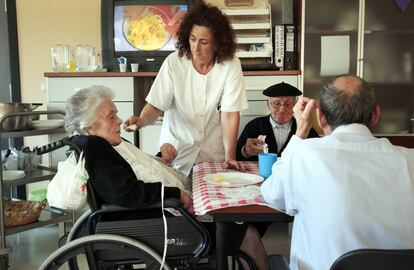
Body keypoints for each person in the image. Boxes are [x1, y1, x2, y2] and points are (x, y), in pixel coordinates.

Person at [65, 85, 269, 270]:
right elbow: (126, 192)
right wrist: (175, 194)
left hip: (148, 218)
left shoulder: (100, 144)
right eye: (111, 116)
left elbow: (127, 174)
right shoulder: (95, 147)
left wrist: (160, 159)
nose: (119, 120)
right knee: (247, 233)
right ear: (89, 127)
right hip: (148, 224)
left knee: (231, 220)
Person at [261, 74, 414, 270]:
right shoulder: (410, 159)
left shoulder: (305, 155)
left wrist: (299, 134)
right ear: (376, 115)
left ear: (321, 116)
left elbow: (271, 193)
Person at [124, 1, 248, 176]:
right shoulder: (174, 62)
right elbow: (156, 104)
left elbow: (230, 113)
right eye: (192, 39)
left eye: (204, 42)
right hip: (178, 151)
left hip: (214, 153)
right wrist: (141, 120)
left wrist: (230, 157)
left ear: (218, 43)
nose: (196, 48)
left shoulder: (230, 65)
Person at [237, 82, 319, 161]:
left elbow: (318, 155)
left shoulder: (304, 128)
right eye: (276, 104)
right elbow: (236, 155)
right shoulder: (254, 126)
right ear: (268, 104)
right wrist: (245, 151)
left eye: (287, 104)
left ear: (295, 105)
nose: (282, 109)